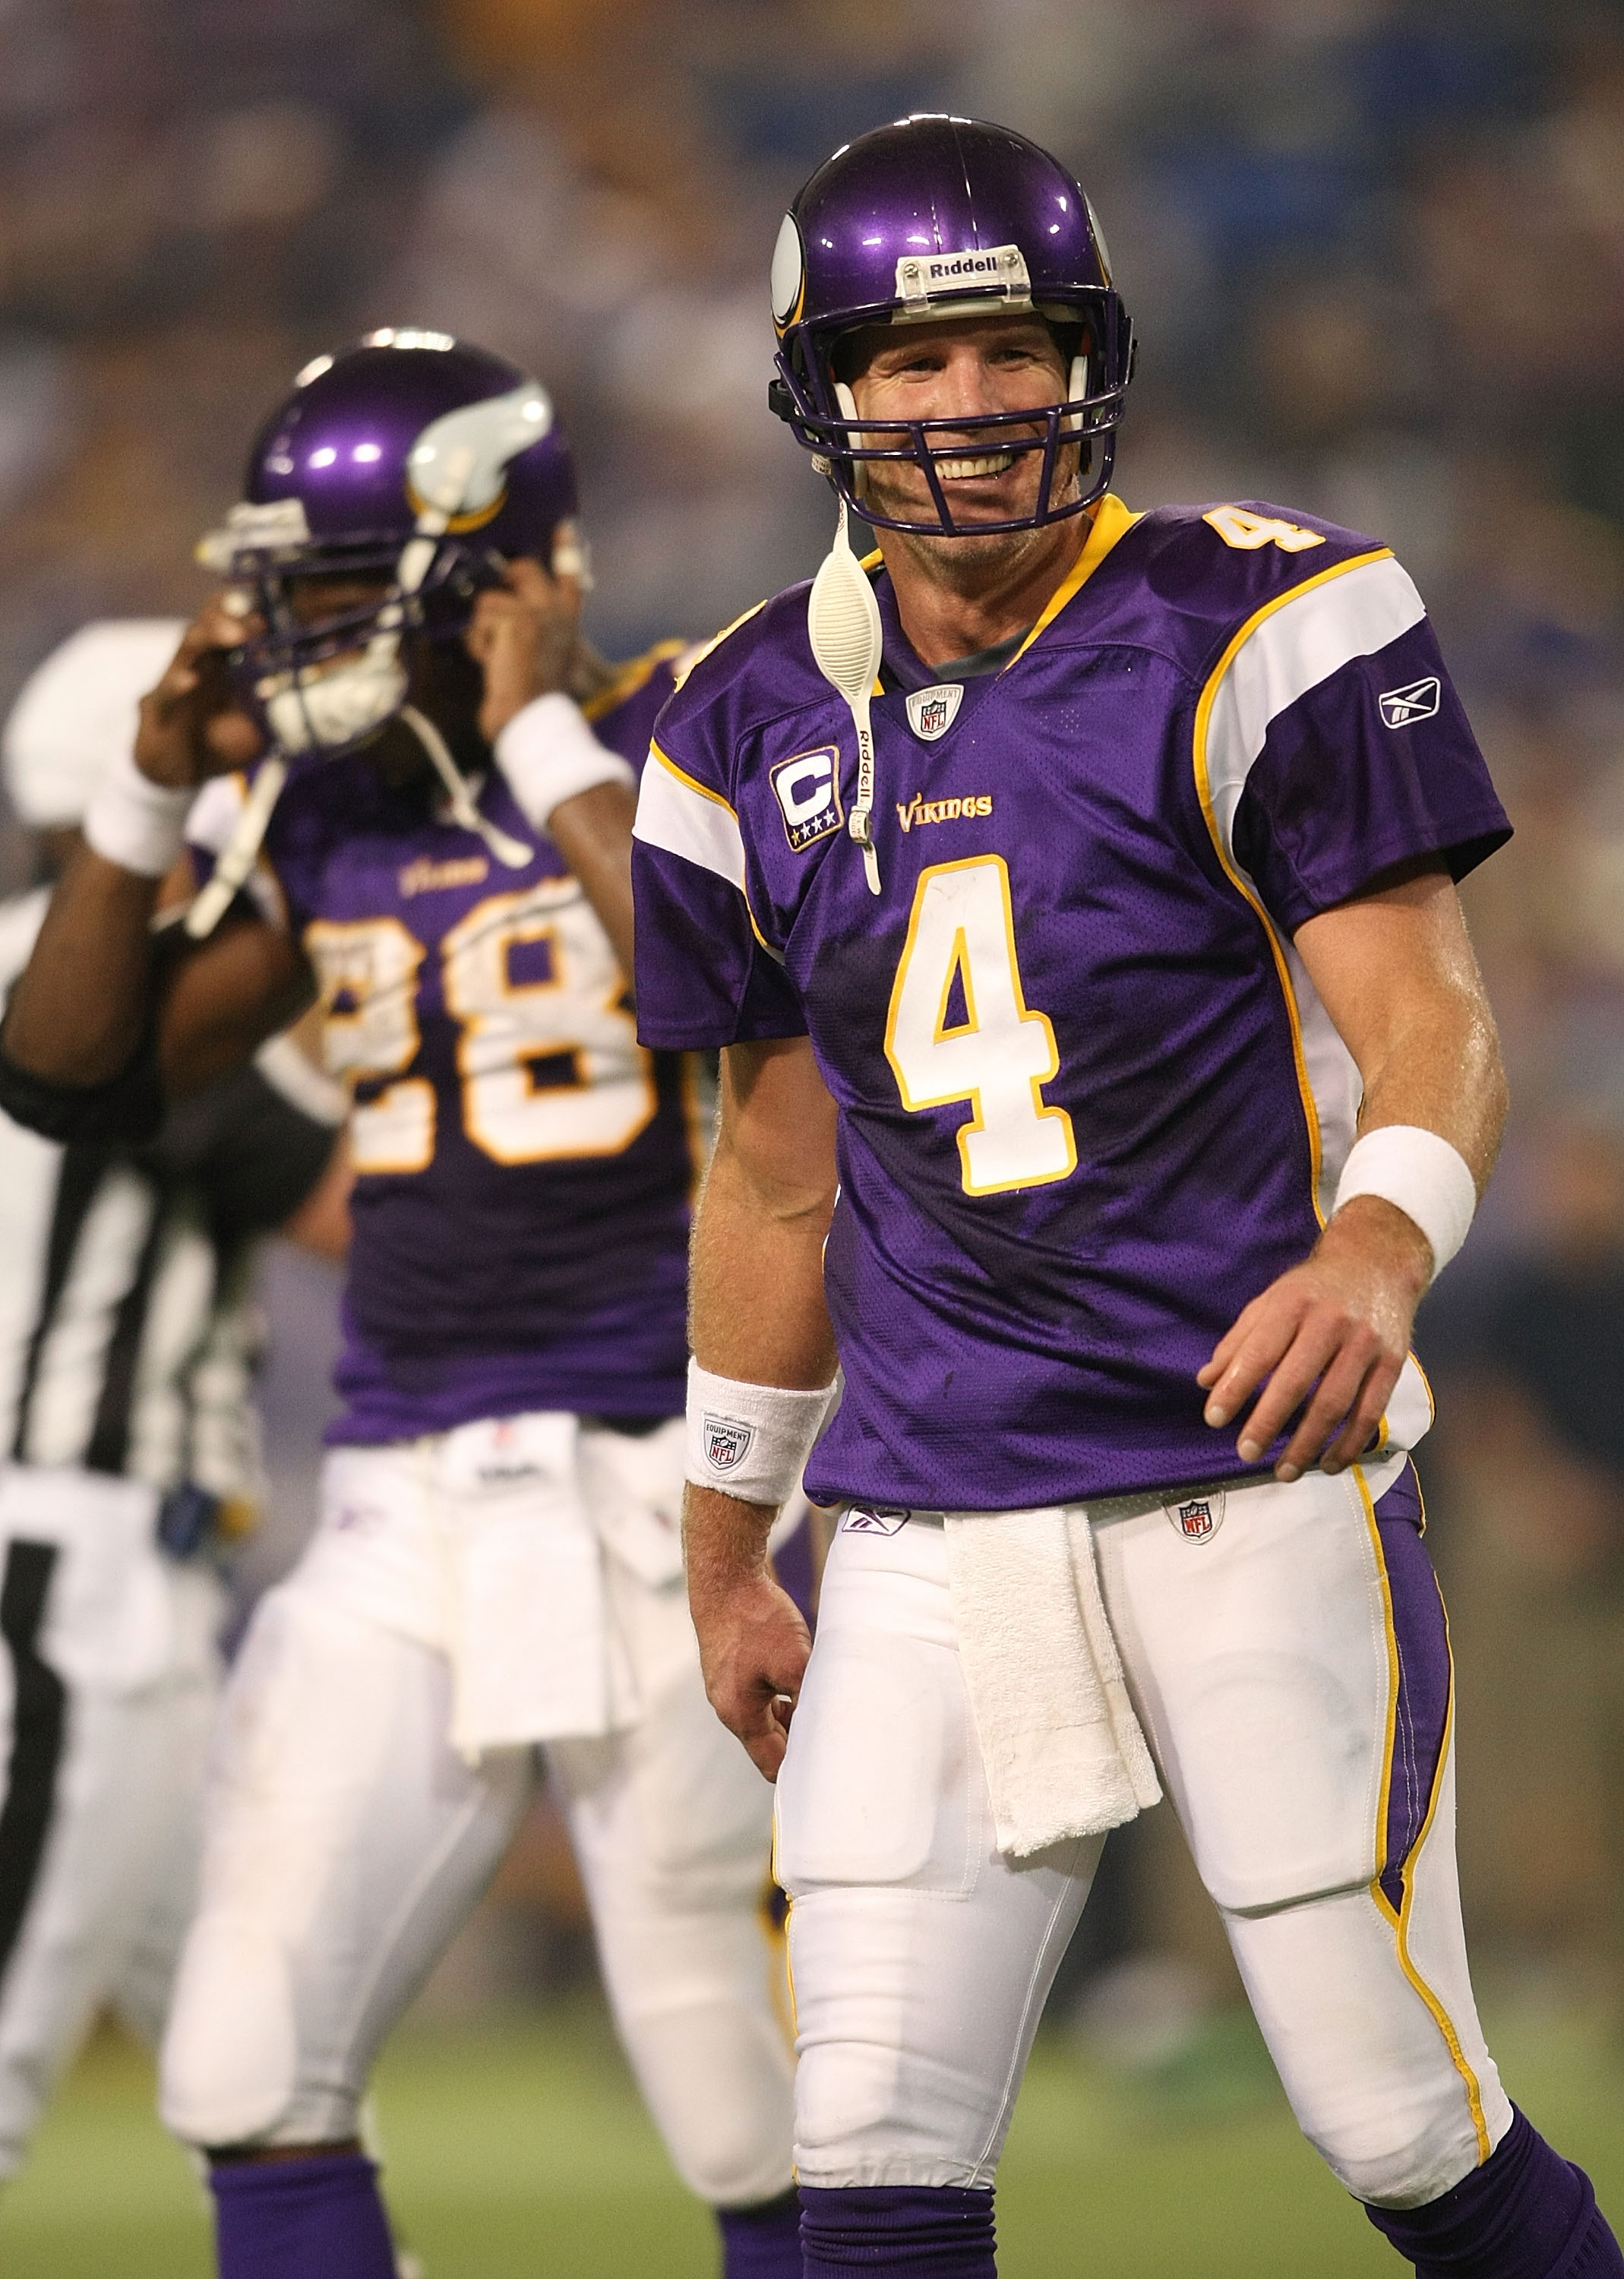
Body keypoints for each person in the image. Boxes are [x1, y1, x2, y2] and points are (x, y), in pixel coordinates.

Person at [630, 113, 1622, 2278]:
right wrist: (722, 1545)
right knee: (871, 2161)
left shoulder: (1260, 609)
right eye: (914, 360)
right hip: (915, 1516)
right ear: (828, 391)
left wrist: (1377, 1244)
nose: (974, 400)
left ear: (1092, 353)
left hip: (1238, 1472)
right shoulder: (731, 722)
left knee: (1401, 2128)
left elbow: (1431, 1016)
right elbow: (774, 1173)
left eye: (1016, 347)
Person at [0, 335, 801, 2279]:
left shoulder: (699, 714)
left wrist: (541, 748)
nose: (299, 630)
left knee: (761, 2092)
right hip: (404, 1490)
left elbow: (719, 985)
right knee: (248, 2063)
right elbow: (75, 1077)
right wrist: (142, 795)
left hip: (679, 1475)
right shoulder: (324, 805)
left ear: (503, 571)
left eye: (344, 585)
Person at [0, 619, 348, 2189]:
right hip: (68, 1579)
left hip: (123, 1587)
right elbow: (358, 1208)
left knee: (276, 2068)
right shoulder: (106, 992)